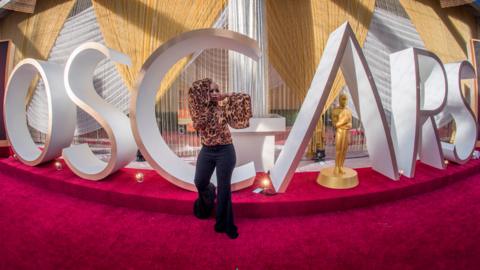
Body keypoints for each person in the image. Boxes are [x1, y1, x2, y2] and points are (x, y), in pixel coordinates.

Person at [187, 78, 252, 239]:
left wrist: (228, 95)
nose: (215, 93)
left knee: (224, 188)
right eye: (211, 91)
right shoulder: (199, 109)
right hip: (207, 150)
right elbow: (199, 125)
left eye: (217, 90)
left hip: (225, 151)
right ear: (204, 94)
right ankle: (209, 194)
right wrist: (209, 103)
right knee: (200, 181)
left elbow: (244, 99)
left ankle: (223, 223)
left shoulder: (223, 106)